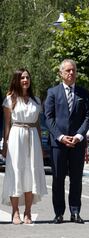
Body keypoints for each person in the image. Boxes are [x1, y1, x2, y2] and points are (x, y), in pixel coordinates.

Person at [44, 59, 89, 224]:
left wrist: (79, 136)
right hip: (58, 144)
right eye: (68, 71)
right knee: (58, 178)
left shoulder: (83, 93)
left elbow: (88, 116)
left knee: (76, 179)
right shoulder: (52, 92)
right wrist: (61, 137)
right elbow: (48, 118)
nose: (71, 73)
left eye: (73, 70)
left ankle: (75, 212)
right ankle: (59, 213)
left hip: (77, 144)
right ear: (61, 74)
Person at [1, 68, 47, 224]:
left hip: (32, 136)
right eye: (22, 78)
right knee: (16, 173)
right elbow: (7, 125)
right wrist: (5, 145)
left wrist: (40, 145)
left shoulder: (37, 100)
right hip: (16, 136)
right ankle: (15, 212)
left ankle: (28, 212)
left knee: (31, 174)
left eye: (27, 77)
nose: (25, 80)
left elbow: (38, 125)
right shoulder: (10, 99)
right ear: (17, 80)